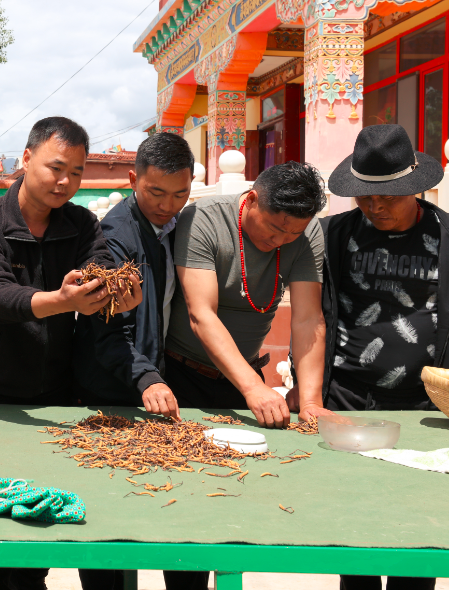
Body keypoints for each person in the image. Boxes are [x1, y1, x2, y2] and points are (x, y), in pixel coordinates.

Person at [307, 124, 449, 590]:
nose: (374, 207)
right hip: (349, 400)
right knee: (354, 534)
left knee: (419, 530)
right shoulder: (333, 235)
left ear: (417, 187)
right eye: (365, 197)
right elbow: (310, 318)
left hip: (428, 408)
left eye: (387, 197)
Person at [0, 116, 141, 590]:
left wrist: (117, 293)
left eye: (77, 173)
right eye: (56, 168)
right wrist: (60, 301)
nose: (66, 182)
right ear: (26, 159)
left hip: (66, 397)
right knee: (7, 547)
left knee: (90, 528)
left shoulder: (80, 224)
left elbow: (101, 270)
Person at [163, 161, 332, 590]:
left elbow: (308, 318)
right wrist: (255, 388)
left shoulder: (306, 231)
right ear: (252, 199)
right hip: (184, 379)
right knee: (184, 500)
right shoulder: (202, 218)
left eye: (292, 234)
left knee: (235, 493)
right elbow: (202, 314)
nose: (281, 241)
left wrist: (310, 402)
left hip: (244, 382)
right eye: (274, 228)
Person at [74, 131, 195, 416]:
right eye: (156, 193)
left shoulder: (177, 227)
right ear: (133, 181)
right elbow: (109, 329)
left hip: (154, 381)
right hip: (112, 389)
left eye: (181, 194)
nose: (167, 206)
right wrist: (147, 378)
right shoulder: (114, 239)